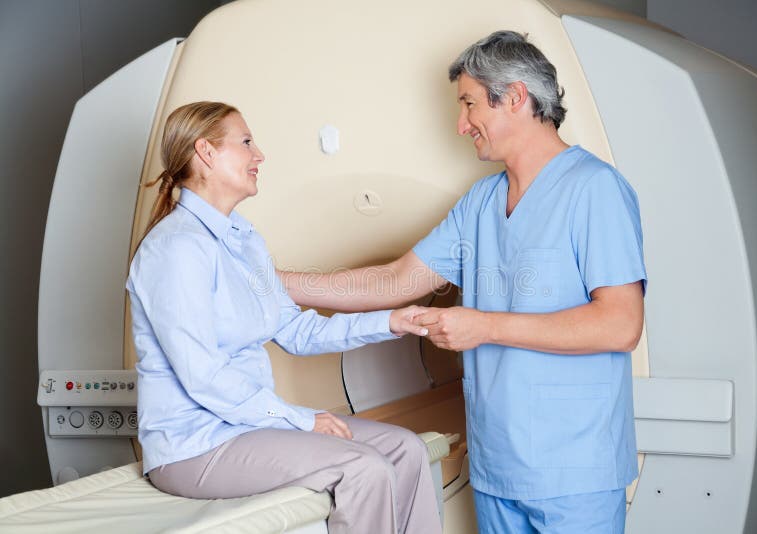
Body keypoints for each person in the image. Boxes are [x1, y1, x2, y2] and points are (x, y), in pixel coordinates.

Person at [282, 31, 646, 533]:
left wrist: (486, 327)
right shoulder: (481, 203)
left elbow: (621, 324)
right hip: (497, 468)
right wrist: (273, 284)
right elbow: (394, 280)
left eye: (470, 104)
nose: (461, 124)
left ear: (516, 97)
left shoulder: (594, 190)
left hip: (575, 471)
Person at [126, 101, 442, 534]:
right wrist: (301, 418)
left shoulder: (243, 240)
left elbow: (296, 330)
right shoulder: (175, 250)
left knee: (407, 449)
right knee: (363, 468)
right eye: (247, 142)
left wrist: (392, 321)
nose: (260, 155)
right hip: (195, 446)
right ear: (206, 152)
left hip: (247, 427)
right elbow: (203, 374)